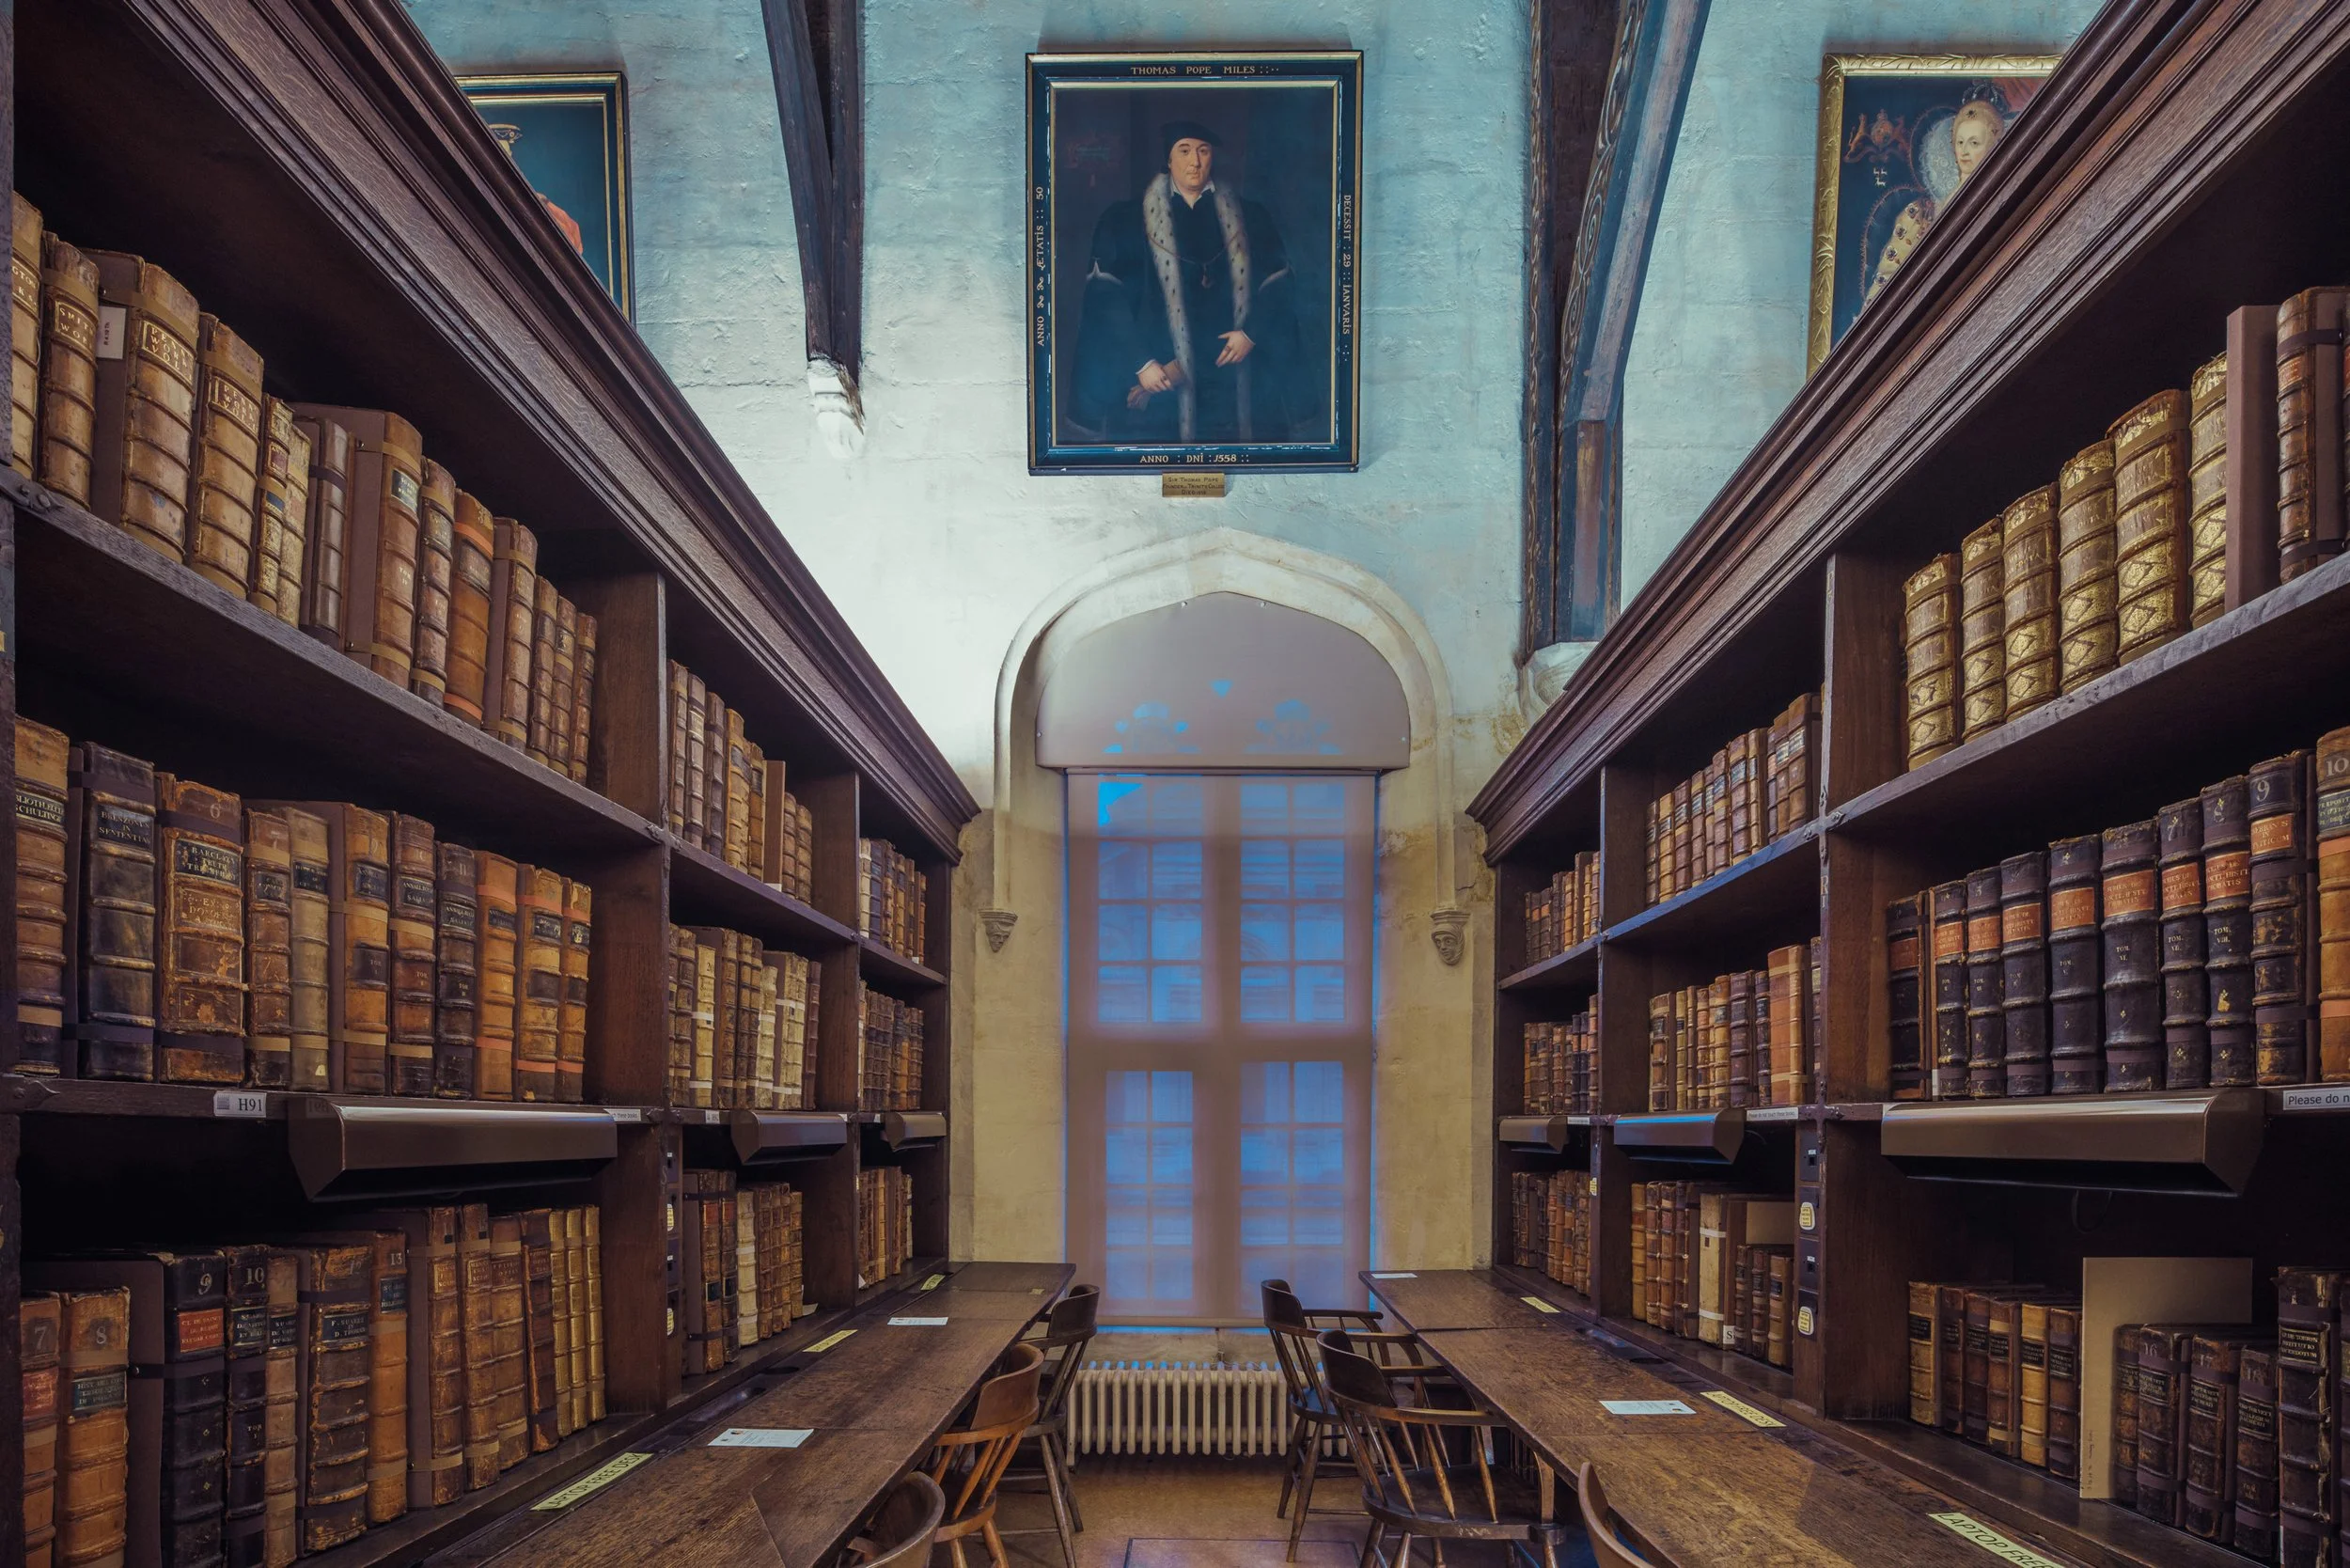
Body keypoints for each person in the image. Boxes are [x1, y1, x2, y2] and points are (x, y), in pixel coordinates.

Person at [1069, 119, 1304, 444]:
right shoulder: (1123, 219)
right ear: (1168, 160)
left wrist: (1252, 332)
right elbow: (1105, 300)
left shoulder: (1252, 216)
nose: (1195, 161)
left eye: (1203, 151)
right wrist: (1142, 363)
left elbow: (1279, 285)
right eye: (1184, 151)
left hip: (1231, 373)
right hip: (1158, 379)